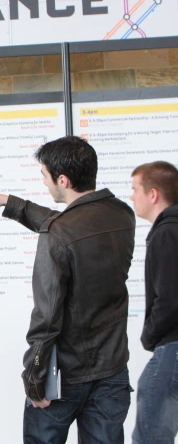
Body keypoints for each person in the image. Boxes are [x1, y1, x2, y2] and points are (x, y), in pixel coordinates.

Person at [0, 136, 135, 444]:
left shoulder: (59, 233)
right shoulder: (122, 215)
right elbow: (71, 227)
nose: (45, 184)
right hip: (112, 371)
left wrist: (33, 377)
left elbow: (46, 317)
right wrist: (9, 201)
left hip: (65, 378)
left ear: (63, 179)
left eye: (45, 176)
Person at [129, 161, 178, 444]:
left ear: (153, 194)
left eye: (135, 189)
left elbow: (171, 299)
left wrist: (149, 336)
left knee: (150, 437)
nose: (132, 196)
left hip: (172, 348)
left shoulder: (166, 231)